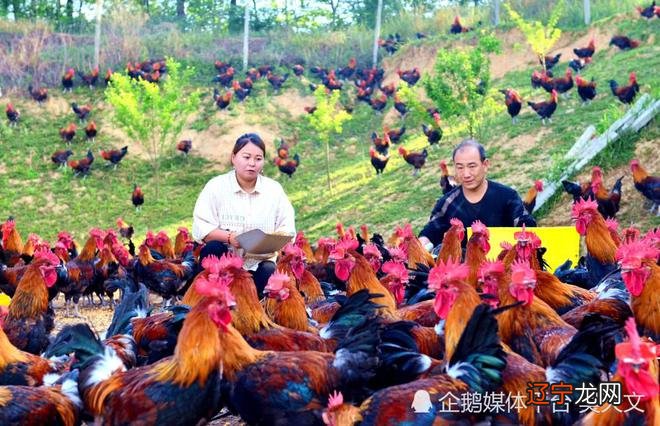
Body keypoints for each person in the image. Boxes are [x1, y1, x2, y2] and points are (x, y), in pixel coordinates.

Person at [192, 133, 295, 296]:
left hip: (259, 262)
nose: (252, 164)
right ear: (234, 157)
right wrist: (230, 238)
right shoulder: (215, 187)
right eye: (246, 157)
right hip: (225, 263)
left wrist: (271, 240)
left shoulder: (274, 190)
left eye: (258, 158)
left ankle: (258, 313)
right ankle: (207, 302)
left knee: (269, 270)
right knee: (212, 248)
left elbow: (288, 229)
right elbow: (201, 229)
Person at [419, 138, 536, 251]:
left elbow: (525, 223)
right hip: (462, 268)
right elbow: (430, 231)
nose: (466, 174)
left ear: (485, 165)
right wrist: (422, 242)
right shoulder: (447, 203)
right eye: (460, 167)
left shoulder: (507, 196)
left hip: (504, 266)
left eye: (472, 166)